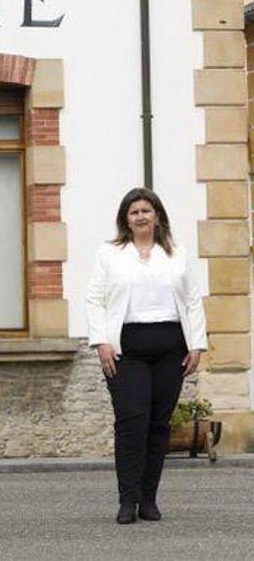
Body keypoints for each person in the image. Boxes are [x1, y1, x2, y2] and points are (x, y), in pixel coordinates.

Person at [85, 187, 207, 525]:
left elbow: (193, 300)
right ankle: (127, 500)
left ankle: (149, 499)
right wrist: (101, 341)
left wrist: (196, 344)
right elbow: (94, 298)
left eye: (146, 211)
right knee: (131, 422)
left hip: (171, 346)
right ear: (126, 218)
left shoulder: (177, 253)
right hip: (127, 349)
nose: (140, 216)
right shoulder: (110, 253)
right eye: (134, 211)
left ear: (157, 216)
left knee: (158, 424)